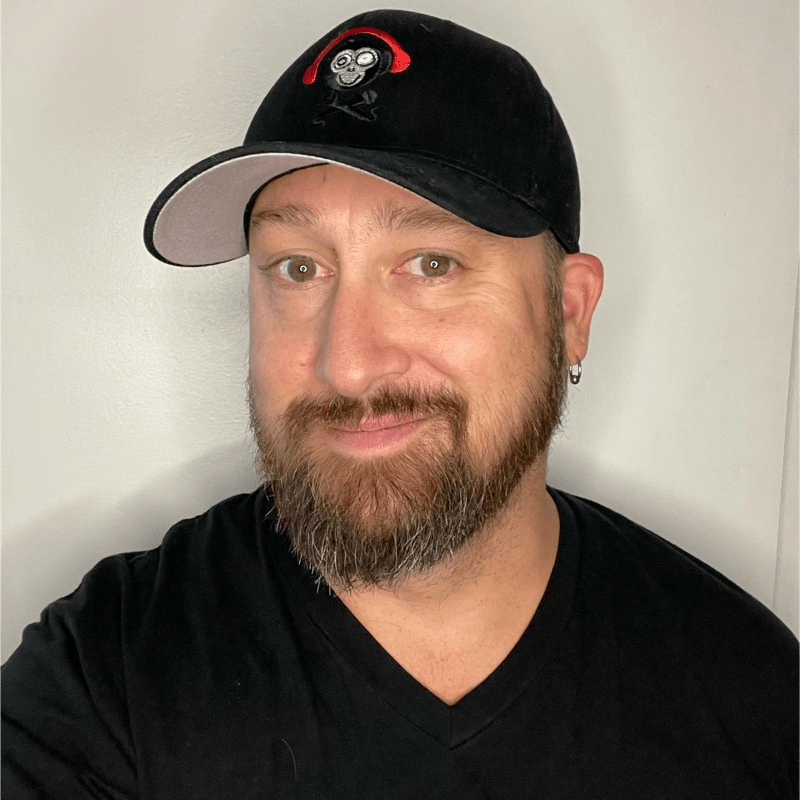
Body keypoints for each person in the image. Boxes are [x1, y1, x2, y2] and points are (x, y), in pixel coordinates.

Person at [2, 9, 797, 798]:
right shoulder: (106, 680)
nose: (347, 365)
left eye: (431, 263)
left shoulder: (753, 702)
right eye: (298, 269)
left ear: (569, 312)